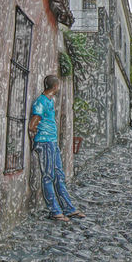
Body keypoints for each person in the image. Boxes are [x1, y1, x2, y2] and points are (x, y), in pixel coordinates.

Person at [29, 75, 85, 222]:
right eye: (58, 85)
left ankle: (68, 208)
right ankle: (54, 210)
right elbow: (33, 123)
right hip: (45, 142)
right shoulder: (41, 102)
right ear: (55, 87)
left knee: (59, 176)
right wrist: (38, 133)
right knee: (48, 176)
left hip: (51, 142)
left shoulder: (49, 101)